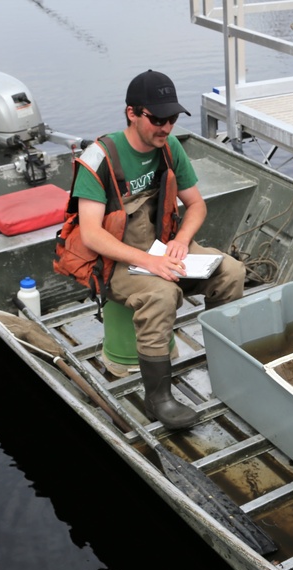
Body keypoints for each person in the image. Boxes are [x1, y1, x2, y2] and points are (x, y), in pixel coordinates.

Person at [72, 69, 245, 429]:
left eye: (171, 118)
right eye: (157, 119)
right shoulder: (98, 158)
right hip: (116, 262)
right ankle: (158, 398)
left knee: (231, 271)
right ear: (132, 114)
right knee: (161, 293)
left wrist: (180, 242)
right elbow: (91, 235)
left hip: (163, 246)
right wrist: (148, 261)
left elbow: (196, 206)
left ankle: (226, 364)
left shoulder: (170, 148)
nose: (165, 127)